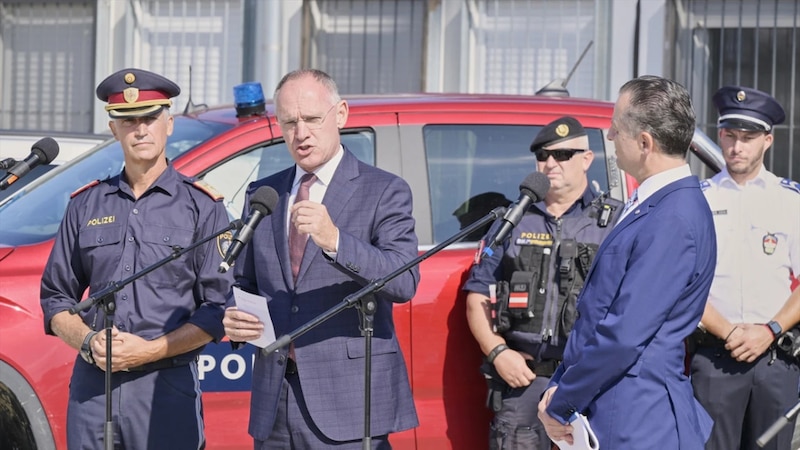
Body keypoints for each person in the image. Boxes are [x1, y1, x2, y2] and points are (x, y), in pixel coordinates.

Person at [222, 69, 419, 449]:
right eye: (289, 122)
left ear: (340, 114)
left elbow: (404, 281)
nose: (301, 133)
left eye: (312, 119)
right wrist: (234, 315)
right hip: (275, 399)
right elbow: (243, 282)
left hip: (348, 403)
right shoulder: (265, 193)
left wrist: (335, 241)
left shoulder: (384, 190)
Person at [40, 68, 234, 449]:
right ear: (114, 130)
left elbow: (217, 310)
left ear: (169, 124)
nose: (140, 129)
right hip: (94, 388)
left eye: (150, 118)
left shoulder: (202, 208)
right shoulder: (85, 204)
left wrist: (149, 350)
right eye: (129, 121)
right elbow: (55, 299)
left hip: (165, 386)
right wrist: (88, 340)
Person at [537, 75, 716, 448]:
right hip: (620, 408)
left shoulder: (673, 216)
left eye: (616, 128)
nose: (609, 137)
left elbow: (624, 333)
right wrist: (559, 388)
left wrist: (562, 402)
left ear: (645, 143)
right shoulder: (656, 204)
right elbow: (600, 314)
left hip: (639, 418)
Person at [463, 116, 622, 449]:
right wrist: (498, 352)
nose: (551, 163)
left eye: (563, 155)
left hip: (592, 378)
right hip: (524, 378)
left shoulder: (615, 222)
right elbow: (477, 293)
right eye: (543, 155)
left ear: (587, 159)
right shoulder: (513, 220)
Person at [690, 86, 800, 450]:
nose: (737, 147)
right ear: (719, 134)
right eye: (730, 135)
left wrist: (769, 331)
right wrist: (729, 333)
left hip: (775, 359)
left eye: (748, 138)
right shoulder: (698, 200)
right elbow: (685, 284)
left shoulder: (790, 201)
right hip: (715, 358)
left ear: (767, 140)